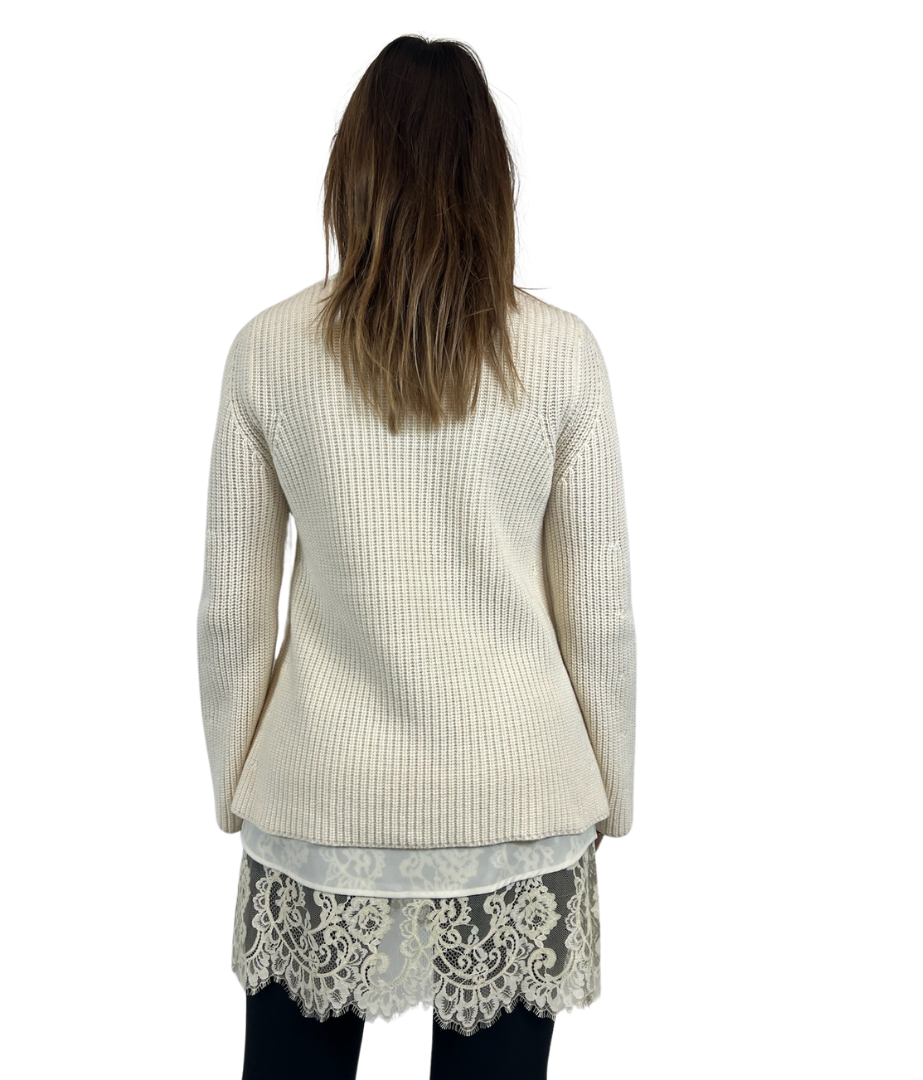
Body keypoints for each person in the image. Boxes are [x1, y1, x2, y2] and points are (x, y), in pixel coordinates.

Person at [197, 33, 636, 1080]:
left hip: (318, 803)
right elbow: (600, 616)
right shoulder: (563, 355)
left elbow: (230, 616)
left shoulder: (267, 352)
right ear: (490, 181)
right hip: (519, 803)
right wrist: (611, 790)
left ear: (349, 171)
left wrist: (241, 786)